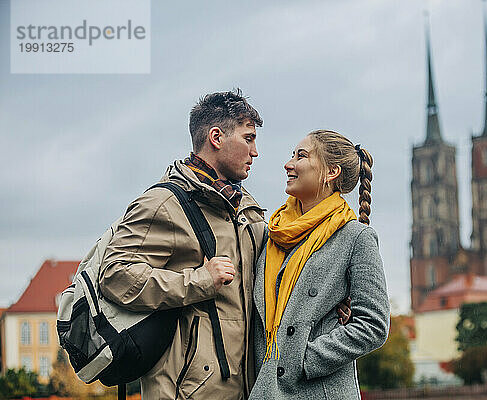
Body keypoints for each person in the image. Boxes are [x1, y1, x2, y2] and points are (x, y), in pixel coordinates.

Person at [98, 91, 350, 399]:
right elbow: (114, 275)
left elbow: (274, 281)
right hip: (187, 392)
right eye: (248, 138)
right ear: (216, 137)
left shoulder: (248, 209)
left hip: (250, 389)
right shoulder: (163, 203)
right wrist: (199, 280)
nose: (255, 151)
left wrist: (326, 302)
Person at [250, 130, 390, 399]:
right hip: (265, 390)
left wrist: (304, 359)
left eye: (301, 156)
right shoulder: (272, 236)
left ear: (331, 172)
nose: (288, 164)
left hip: (319, 391)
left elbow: (373, 325)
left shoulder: (355, 237)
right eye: (292, 155)